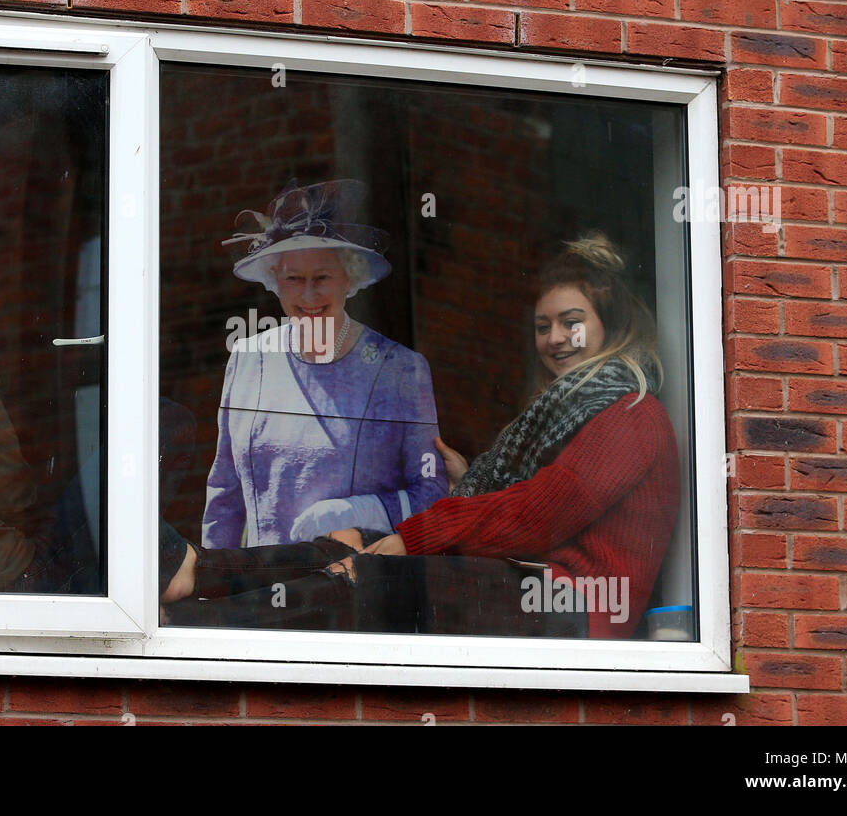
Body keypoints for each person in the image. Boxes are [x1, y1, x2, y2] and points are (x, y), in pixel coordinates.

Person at [165, 233, 681, 640]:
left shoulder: (630, 414)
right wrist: (467, 482)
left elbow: (540, 512)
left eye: (572, 322)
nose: (554, 339)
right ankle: (198, 567)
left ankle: (199, 631)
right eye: (542, 325)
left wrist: (415, 536)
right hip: (529, 581)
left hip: (575, 605)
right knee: (344, 544)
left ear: (610, 326)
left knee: (368, 579)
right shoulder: (571, 411)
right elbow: (530, 504)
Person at [0, 189, 195, 599]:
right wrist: (34, 528)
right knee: (163, 419)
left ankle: (172, 563)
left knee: (169, 554)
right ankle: (175, 568)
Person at [201, 179, 448, 548]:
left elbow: (432, 495)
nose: (308, 294)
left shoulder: (399, 369)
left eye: (322, 277)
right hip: (258, 586)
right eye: (293, 278)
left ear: (350, 278)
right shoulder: (248, 358)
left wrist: (355, 512)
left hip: (351, 583)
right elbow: (225, 492)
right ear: (274, 280)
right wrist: (214, 584)